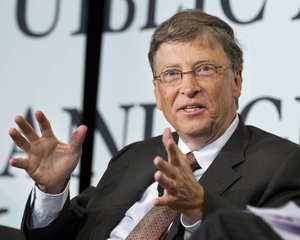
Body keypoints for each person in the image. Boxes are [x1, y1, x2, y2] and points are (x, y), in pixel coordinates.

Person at [9, 8, 300, 240]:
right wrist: (52, 191)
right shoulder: (134, 157)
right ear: (157, 94)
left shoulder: (282, 164)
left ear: (236, 81)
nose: (188, 87)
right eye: (172, 74)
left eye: (205, 69)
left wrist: (201, 208)